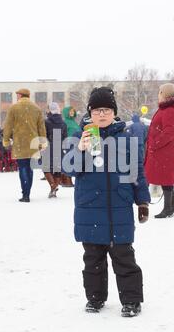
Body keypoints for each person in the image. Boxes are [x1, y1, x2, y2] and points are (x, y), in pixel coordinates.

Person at [63, 87, 150, 318]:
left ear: (114, 112)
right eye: (97, 110)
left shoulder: (127, 138)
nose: (102, 114)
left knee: (124, 256)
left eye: (107, 110)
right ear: (90, 113)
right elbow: (69, 169)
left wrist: (142, 201)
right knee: (93, 259)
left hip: (119, 208)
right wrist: (81, 150)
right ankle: (95, 298)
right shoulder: (78, 137)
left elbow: (137, 172)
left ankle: (131, 300)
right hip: (89, 208)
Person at [144, 83, 174, 218]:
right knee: (166, 177)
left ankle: (168, 208)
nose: (158, 95)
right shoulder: (168, 110)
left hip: (164, 150)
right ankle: (171, 206)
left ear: (164, 94)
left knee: (166, 178)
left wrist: (154, 144)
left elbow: (168, 132)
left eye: (160, 92)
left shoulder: (168, 111)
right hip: (164, 150)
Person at [2, 88, 46, 202]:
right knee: (29, 168)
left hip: (20, 142)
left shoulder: (14, 108)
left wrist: (6, 140)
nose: (16, 97)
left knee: (22, 168)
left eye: (17, 95)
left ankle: (25, 194)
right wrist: (42, 141)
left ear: (20, 95)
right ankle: (28, 192)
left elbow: (7, 126)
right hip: (33, 143)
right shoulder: (36, 108)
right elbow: (41, 127)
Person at [43, 102, 68, 198]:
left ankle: (53, 186)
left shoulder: (46, 122)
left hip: (48, 147)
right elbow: (65, 137)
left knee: (46, 168)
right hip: (59, 147)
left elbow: (44, 135)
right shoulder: (63, 123)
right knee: (57, 169)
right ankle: (54, 189)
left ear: (50, 110)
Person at [61, 106, 80, 187]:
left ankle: (69, 180)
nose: (72, 113)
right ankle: (66, 181)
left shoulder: (74, 122)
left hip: (76, 143)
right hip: (68, 144)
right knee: (68, 161)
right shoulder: (65, 122)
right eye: (70, 111)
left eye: (73, 111)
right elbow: (63, 134)